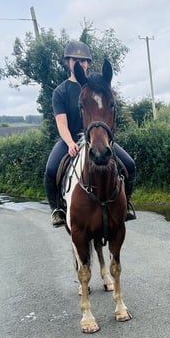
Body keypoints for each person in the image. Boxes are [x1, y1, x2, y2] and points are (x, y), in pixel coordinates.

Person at [44, 40, 137, 227]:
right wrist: (70, 143)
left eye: (84, 60)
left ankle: (125, 204)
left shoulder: (97, 85)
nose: (80, 63)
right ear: (68, 62)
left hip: (98, 138)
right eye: (75, 60)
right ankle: (57, 210)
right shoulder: (60, 92)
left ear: (88, 63)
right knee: (51, 170)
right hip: (71, 139)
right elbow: (61, 123)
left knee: (130, 165)